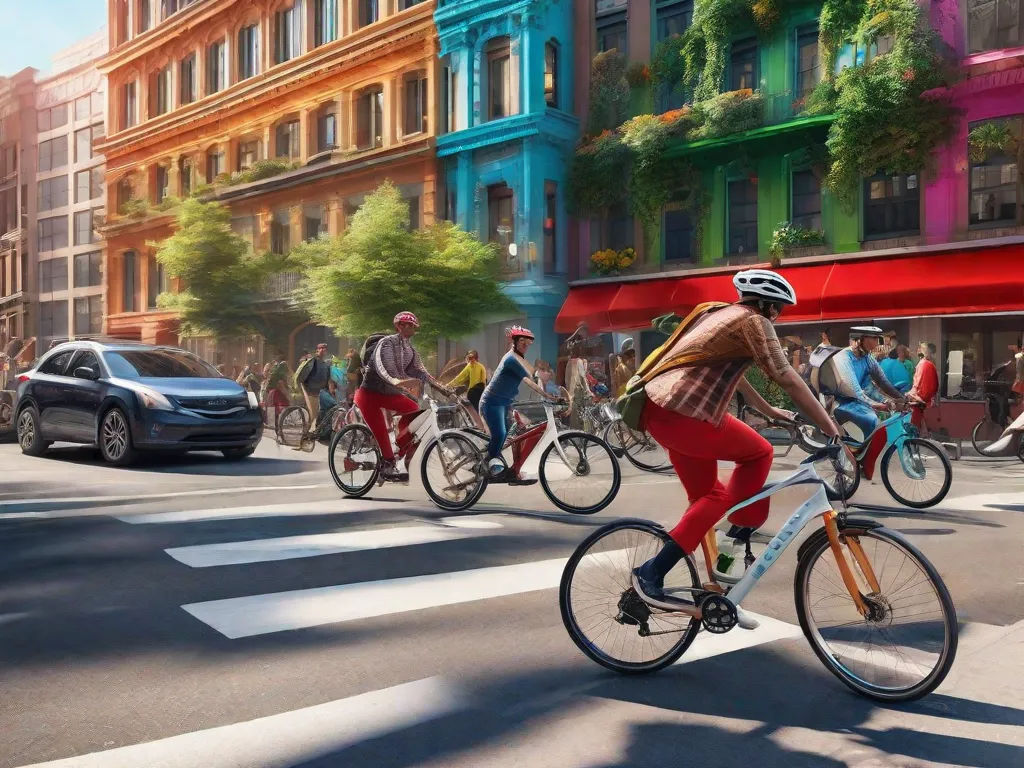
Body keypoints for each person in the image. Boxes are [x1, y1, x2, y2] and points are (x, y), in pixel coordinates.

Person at [631, 269, 850, 629]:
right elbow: (785, 375)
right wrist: (829, 425)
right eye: (778, 309)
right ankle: (667, 567)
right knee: (758, 454)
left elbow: (738, 375)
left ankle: (718, 593)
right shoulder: (754, 321)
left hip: (660, 409)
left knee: (706, 502)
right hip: (687, 413)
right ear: (766, 304)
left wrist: (769, 411)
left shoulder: (713, 312)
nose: (777, 316)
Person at [356, 311, 453, 481]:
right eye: (408, 325)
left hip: (390, 394)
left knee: (414, 409)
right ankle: (387, 464)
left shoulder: (410, 350)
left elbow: (421, 372)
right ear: (399, 326)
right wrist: (395, 381)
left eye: (414, 326)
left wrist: (443, 389)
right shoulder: (386, 343)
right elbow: (381, 366)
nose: (412, 329)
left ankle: (400, 448)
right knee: (382, 434)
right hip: (369, 395)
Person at [479, 326, 556, 481]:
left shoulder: (519, 358)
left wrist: (546, 392)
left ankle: (511, 470)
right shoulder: (511, 359)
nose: (526, 345)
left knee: (514, 434)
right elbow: (528, 380)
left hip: (505, 402)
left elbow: (533, 376)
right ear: (514, 342)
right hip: (492, 402)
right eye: (522, 341)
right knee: (500, 433)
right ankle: (490, 463)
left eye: (528, 343)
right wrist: (546, 394)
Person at [832, 326, 908, 440]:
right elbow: (855, 392)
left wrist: (901, 398)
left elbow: (883, 382)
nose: (877, 343)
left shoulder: (867, 357)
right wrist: (879, 405)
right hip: (843, 403)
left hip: (859, 402)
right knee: (871, 420)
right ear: (860, 339)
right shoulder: (843, 358)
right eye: (874, 338)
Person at [294, 343, 333, 446]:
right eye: (320, 349)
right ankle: (304, 439)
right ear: (317, 351)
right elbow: (303, 375)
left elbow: (327, 379)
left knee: (321, 414)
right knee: (312, 416)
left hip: (320, 393)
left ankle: (314, 435)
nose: (322, 350)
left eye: (324, 349)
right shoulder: (312, 362)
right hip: (310, 392)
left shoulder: (326, 364)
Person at [908, 342, 939, 430]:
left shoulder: (924, 365)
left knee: (915, 428)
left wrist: (913, 396)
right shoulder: (927, 364)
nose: (917, 350)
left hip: (921, 400)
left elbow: (919, 383)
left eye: (919, 348)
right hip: (924, 399)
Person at [566, 340, 595, 429]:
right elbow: (583, 377)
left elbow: (567, 378)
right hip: (578, 390)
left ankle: (573, 430)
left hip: (570, 391)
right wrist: (588, 390)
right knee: (580, 412)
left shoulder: (569, 362)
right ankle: (580, 431)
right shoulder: (579, 361)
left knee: (573, 411)